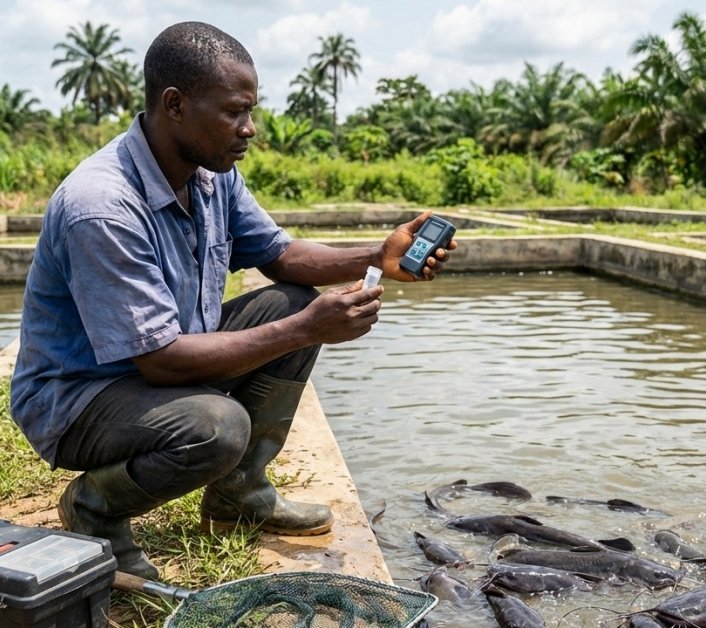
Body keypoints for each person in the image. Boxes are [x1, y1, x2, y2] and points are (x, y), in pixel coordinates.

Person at [9, 21, 456, 580]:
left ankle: (238, 494)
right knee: (219, 424)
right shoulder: (101, 205)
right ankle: (96, 509)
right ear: (175, 105)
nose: (250, 129)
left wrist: (379, 254)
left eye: (250, 111)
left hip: (150, 367)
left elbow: (283, 256)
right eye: (234, 112)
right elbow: (163, 360)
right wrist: (307, 329)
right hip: (79, 395)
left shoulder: (210, 174)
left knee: (292, 300)